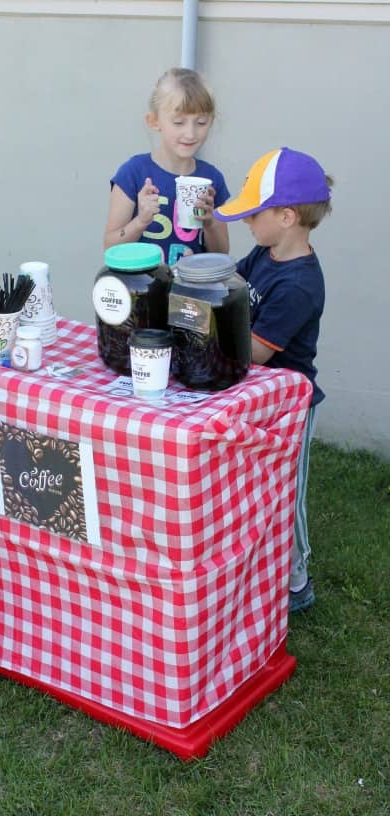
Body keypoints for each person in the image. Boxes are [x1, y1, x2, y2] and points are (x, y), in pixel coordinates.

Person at [214, 147, 333, 613]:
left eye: (252, 214)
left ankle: (297, 582)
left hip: (289, 406)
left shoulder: (300, 284)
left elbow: (257, 352)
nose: (246, 222)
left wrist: (209, 330)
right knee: (257, 489)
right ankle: (262, 570)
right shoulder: (266, 251)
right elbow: (235, 280)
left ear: (286, 216)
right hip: (257, 398)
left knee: (287, 494)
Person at [104, 67, 230, 266]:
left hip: (190, 292)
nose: (190, 133)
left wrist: (210, 223)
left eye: (201, 122)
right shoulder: (133, 173)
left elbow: (221, 253)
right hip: (143, 291)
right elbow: (110, 248)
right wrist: (141, 221)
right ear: (154, 122)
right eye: (179, 122)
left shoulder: (213, 179)